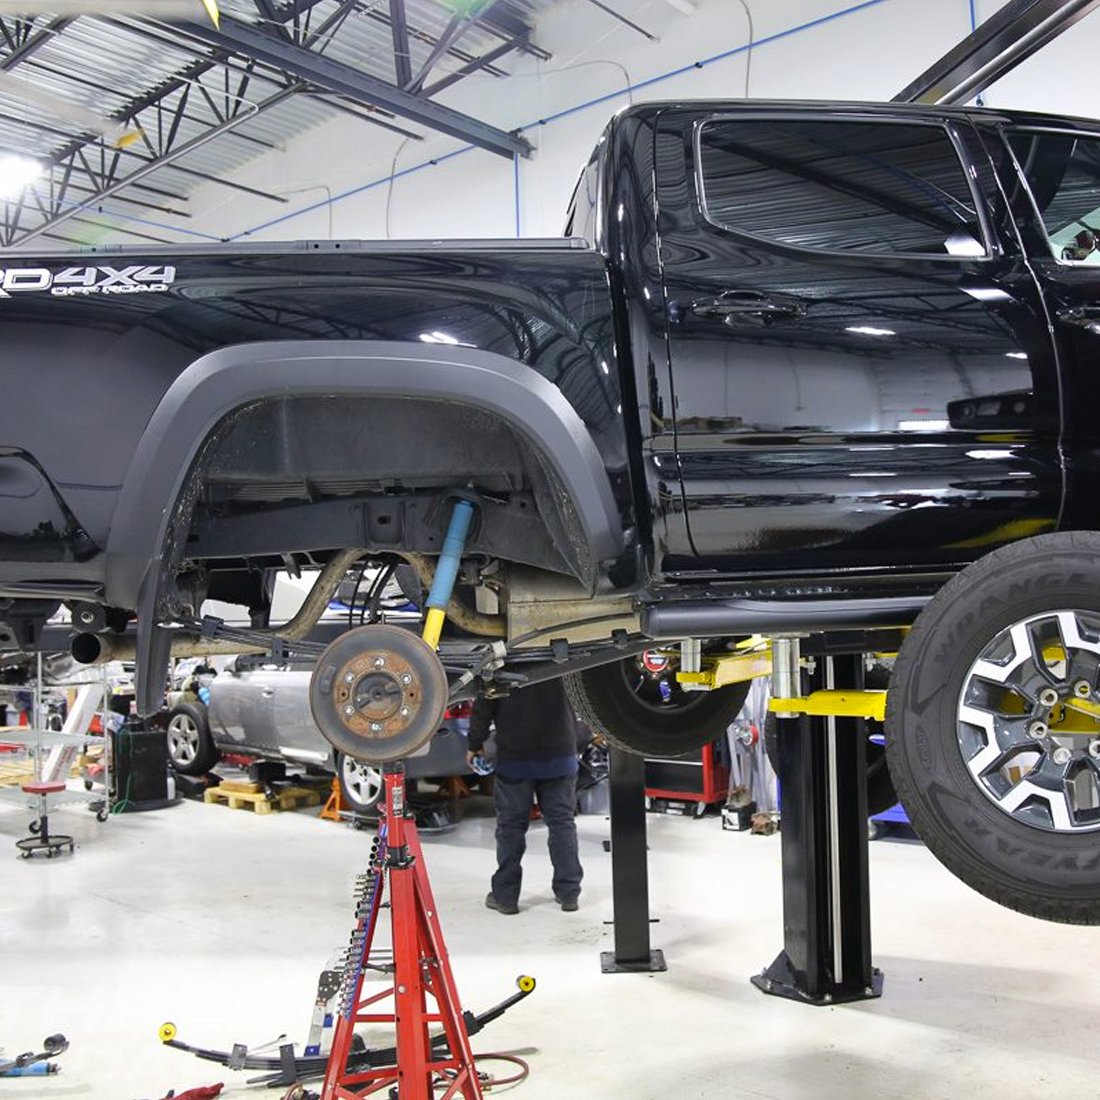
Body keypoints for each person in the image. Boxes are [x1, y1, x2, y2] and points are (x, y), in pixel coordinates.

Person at [467, 679, 583, 914]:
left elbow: (484, 703)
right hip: (561, 752)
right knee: (562, 823)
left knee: (510, 827)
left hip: (515, 756)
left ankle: (506, 897)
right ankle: (569, 893)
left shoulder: (501, 660)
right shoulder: (567, 651)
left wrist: (475, 744)